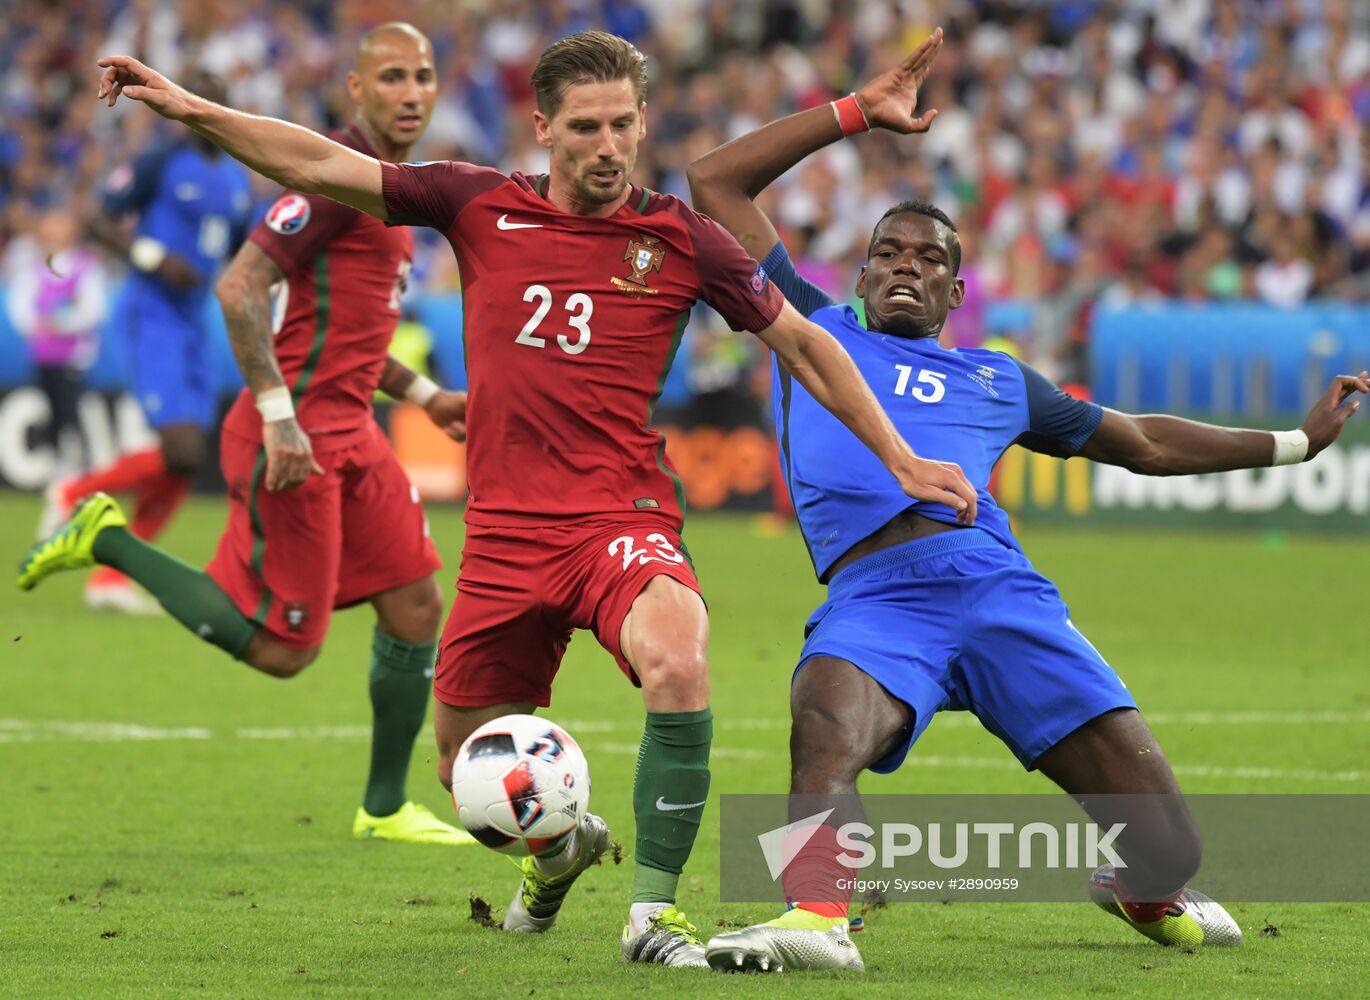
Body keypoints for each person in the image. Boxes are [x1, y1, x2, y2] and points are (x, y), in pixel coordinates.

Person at [57, 29, 980, 967]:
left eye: (624, 124)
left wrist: (901, 459)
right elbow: (318, 160)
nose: (609, 145)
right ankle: (557, 851)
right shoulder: (477, 203)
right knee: (467, 779)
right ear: (543, 127)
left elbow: (808, 343)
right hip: (502, 537)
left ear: (644, 121)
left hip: (620, 519)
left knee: (677, 655)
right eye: (586, 127)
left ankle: (652, 917)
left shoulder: (679, 238)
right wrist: (192, 107)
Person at [688, 29, 1367, 972]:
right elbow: (714, 184)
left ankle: (1141, 883)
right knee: (823, 715)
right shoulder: (804, 327)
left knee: (1171, 846)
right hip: (878, 597)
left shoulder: (998, 379)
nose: (905, 266)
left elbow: (1142, 442)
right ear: (860, 271)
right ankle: (816, 917)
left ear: (957, 287)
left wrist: (1295, 443)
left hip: (998, 590)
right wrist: (852, 112)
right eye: (888, 251)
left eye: (928, 258)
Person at [20, 24, 475, 847]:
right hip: (294, 436)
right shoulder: (333, 182)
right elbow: (239, 287)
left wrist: (426, 392)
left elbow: (353, 336)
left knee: (414, 607)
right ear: (356, 90)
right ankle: (106, 536)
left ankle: (383, 810)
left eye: (425, 76)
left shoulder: (394, 193)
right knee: (281, 651)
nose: (413, 92)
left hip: (353, 433)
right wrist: (277, 416)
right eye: (394, 78)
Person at [40, 71, 252, 614]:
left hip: (196, 320)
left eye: (214, 99)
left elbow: (238, 251)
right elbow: (98, 219)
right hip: (152, 312)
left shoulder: (235, 180)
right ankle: (74, 493)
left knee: (186, 460)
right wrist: (154, 258)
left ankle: (110, 577)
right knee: (180, 447)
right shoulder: (160, 161)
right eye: (196, 100)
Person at [4, 208, 108, 477]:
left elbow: (93, 308)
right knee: (51, 407)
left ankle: (79, 461)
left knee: (72, 405)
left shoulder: (85, 265)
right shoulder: (33, 266)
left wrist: (61, 323)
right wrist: (36, 325)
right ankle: (59, 460)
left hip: (73, 354)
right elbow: (21, 306)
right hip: (42, 352)